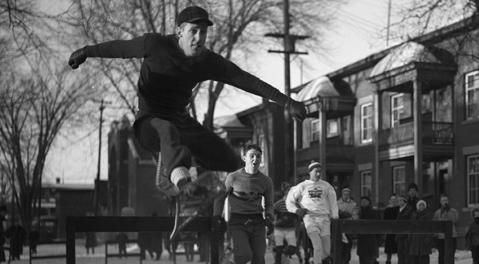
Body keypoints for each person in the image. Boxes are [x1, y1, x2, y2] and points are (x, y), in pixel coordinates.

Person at [67, 5, 306, 199]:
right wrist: (88, 51)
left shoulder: (206, 60)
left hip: (181, 123)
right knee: (166, 130)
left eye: (203, 33)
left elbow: (244, 79)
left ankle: (208, 191)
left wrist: (286, 102)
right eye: (193, 31)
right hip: (148, 124)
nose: (199, 38)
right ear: (179, 31)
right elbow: (120, 48)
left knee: (228, 157)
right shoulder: (155, 44)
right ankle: (178, 179)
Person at [223, 144, 275, 264]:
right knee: (244, 254)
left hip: (257, 221)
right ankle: (231, 259)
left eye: (258, 156)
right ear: (244, 157)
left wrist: (269, 216)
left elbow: (269, 204)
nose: (255, 159)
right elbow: (221, 198)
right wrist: (217, 216)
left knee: (259, 258)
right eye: (252, 156)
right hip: (238, 221)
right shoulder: (233, 178)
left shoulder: (266, 181)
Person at [286, 160, 339, 264]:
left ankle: (315, 260)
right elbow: (289, 201)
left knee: (327, 250)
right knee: (317, 246)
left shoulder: (326, 186)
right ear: (310, 172)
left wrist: (335, 216)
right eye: (316, 171)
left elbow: (333, 202)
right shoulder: (302, 186)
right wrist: (296, 210)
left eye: (320, 171)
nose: (318, 174)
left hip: (324, 219)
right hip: (310, 218)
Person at [273, 187, 301, 264]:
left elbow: (298, 218)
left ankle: (284, 255)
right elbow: (272, 213)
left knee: (292, 248)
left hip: (290, 229)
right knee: (279, 249)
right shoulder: (279, 203)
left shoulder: (296, 205)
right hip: (279, 229)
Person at [433, 194, 459, 264]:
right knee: (442, 255)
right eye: (443, 200)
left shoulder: (453, 211)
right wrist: (435, 236)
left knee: (450, 255)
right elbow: (435, 224)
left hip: (451, 236)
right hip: (441, 237)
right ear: (440, 202)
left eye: (446, 200)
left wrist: (448, 211)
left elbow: (455, 220)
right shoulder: (437, 212)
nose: (445, 202)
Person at [408, 200, 434, 264]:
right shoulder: (413, 215)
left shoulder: (428, 215)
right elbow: (411, 227)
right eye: (420, 205)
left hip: (424, 239)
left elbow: (430, 228)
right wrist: (410, 238)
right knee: (414, 258)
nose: (421, 206)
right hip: (415, 239)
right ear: (417, 206)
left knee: (424, 258)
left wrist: (428, 238)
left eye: (423, 205)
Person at [356, 196, 380, 264]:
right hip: (361, 240)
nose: (363, 203)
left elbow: (378, 226)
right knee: (362, 259)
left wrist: (379, 239)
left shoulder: (374, 212)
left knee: (370, 259)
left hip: (371, 240)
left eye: (365, 201)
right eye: (362, 201)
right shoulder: (359, 212)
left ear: (369, 202)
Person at [337, 187, 358, 264]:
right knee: (339, 247)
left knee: (348, 247)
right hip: (338, 229)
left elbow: (355, 216)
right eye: (344, 194)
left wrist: (348, 218)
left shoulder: (353, 204)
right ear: (342, 194)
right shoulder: (337, 203)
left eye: (347, 194)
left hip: (348, 229)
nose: (346, 195)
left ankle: (346, 261)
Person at [395, 195, 414, 264]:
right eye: (398, 200)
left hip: (406, 235)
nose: (399, 202)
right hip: (400, 235)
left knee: (406, 253)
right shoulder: (399, 209)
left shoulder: (409, 209)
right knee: (400, 253)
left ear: (405, 201)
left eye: (400, 200)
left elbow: (410, 222)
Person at [383, 194, 400, 264]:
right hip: (389, 231)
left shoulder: (399, 209)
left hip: (397, 231)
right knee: (389, 249)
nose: (393, 201)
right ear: (389, 201)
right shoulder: (387, 209)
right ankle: (388, 261)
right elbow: (385, 220)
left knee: (399, 248)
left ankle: (400, 261)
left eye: (395, 200)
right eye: (392, 200)